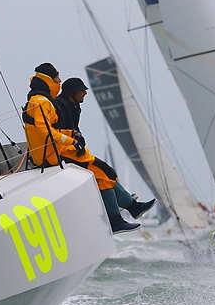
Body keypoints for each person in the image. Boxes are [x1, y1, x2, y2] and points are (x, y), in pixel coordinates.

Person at [22, 64, 151, 233]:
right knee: (103, 174)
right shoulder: (41, 101)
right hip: (54, 155)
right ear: (48, 80)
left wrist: (73, 135)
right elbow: (44, 130)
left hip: (57, 150)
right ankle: (117, 219)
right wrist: (71, 140)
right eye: (56, 78)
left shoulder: (46, 101)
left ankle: (129, 207)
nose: (59, 81)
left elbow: (52, 128)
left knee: (105, 172)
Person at [54, 75, 156, 221]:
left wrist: (78, 137)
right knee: (103, 174)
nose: (85, 93)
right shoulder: (60, 105)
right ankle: (115, 219)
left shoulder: (74, 106)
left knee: (109, 172)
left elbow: (73, 130)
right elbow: (59, 132)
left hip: (75, 151)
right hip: (65, 153)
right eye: (82, 90)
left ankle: (133, 206)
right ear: (72, 92)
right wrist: (75, 138)